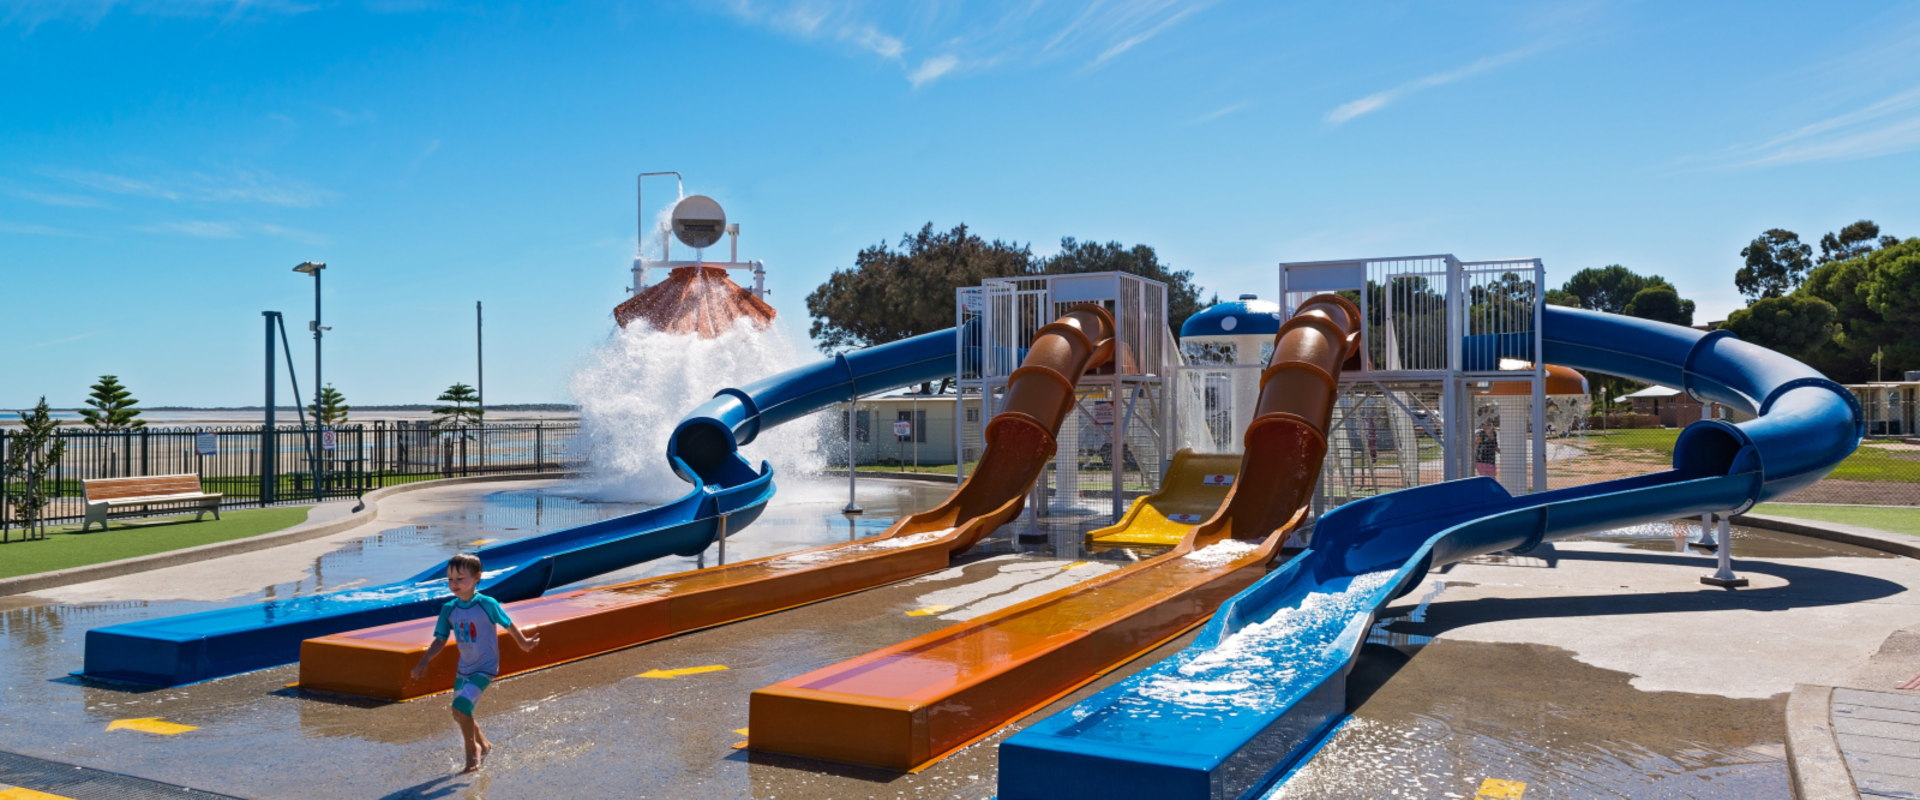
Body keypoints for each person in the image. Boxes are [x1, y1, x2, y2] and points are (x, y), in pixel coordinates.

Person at [410, 552, 540, 773]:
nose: (454, 584)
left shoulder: (487, 604)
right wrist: (424, 660)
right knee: (459, 714)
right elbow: (440, 640)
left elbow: (508, 624)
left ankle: (472, 753)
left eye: (460, 578)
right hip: (464, 669)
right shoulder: (449, 610)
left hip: (485, 667)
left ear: (477, 577)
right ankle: (485, 744)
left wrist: (524, 643)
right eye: (450, 579)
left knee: (461, 706)